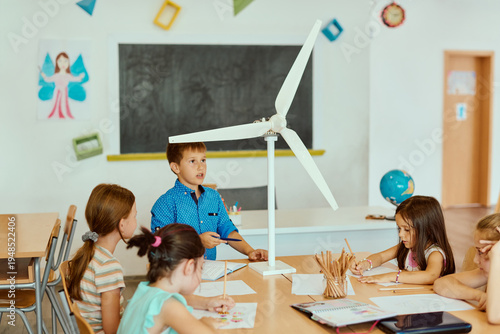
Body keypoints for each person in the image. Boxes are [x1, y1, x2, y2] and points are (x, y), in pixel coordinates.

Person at [150, 142, 268, 261]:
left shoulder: (214, 197)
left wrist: (250, 251)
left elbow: (227, 230)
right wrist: (197, 241)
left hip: (209, 271)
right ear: (176, 167)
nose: (200, 167)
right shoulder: (164, 204)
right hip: (177, 273)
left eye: (203, 160)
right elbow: (159, 246)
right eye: (192, 161)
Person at [118, 224, 235, 334]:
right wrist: (206, 324)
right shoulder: (169, 306)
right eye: (201, 267)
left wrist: (206, 303)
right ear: (189, 267)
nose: (201, 271)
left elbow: (177, 299)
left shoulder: (146, 290)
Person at [67, 184, 137, 334]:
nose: (136, 219)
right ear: (122, 224)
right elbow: (112, 330)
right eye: (135, 215)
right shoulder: (108, 266)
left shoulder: (89, 253)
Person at [349, 196, 455, 284]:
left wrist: (391, 276)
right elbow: (381, 257)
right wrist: (365, 264)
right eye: (399, 228)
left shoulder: (435, 253)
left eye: (407, 230)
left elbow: (430, 275)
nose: (400, 234)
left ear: (427, 230)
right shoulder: (408, 247)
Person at [434, 213, 500, 324]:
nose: (475, 260)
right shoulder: (486, 274)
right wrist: (479, 296)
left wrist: (496, 255)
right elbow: (441, 284)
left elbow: (494, 317)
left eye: (481, 252)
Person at [40, 52, 85, 119]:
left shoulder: (68, 75)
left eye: (65, 61)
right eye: (60, 61)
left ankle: (63, 113)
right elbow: (48, 79)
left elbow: (74, 79)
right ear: (57, 63)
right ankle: (56, 113)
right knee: (56, 103)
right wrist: (44, 76)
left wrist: (80, 77)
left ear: (68, 63)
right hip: (57, 91)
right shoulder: (56, 75)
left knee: (63, 103)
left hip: (64, 91)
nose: (63, 63)